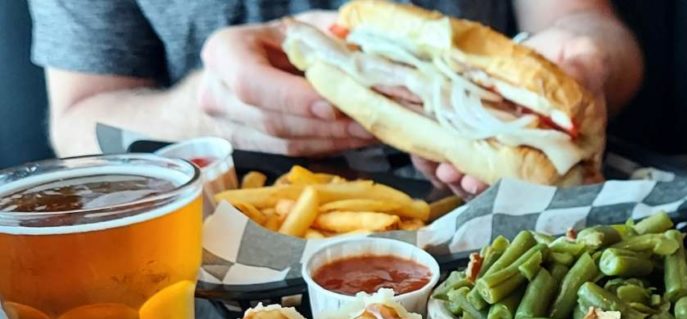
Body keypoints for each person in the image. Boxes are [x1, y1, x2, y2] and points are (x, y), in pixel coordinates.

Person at [29, 0, 643, 197]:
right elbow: (79, 121)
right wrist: (207, 107)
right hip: (213, 270)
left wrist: (586, 62)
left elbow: (589, 24)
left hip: (484, 249)